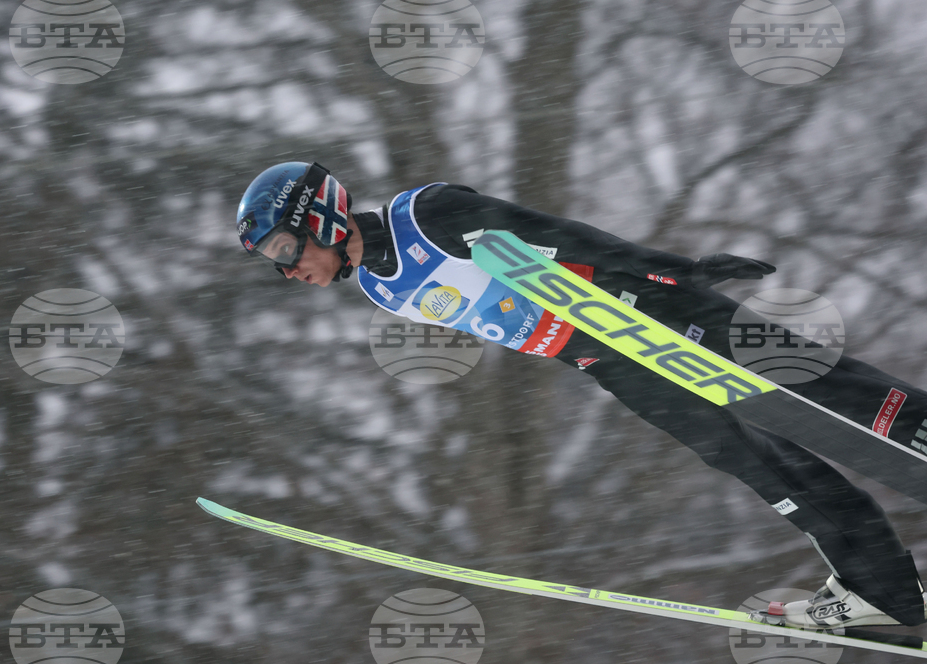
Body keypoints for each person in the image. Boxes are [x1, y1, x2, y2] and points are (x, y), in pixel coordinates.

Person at [235, 161, 927, 629]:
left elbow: (559, 240)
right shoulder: (378, 284)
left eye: (284, 250)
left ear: (320, 217)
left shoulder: (428, 214)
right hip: (606, 359)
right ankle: (883, 588)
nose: (288, 270)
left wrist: (672, 274)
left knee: (818, 387)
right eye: (276, 262)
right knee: (766, 466)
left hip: (639, 311)